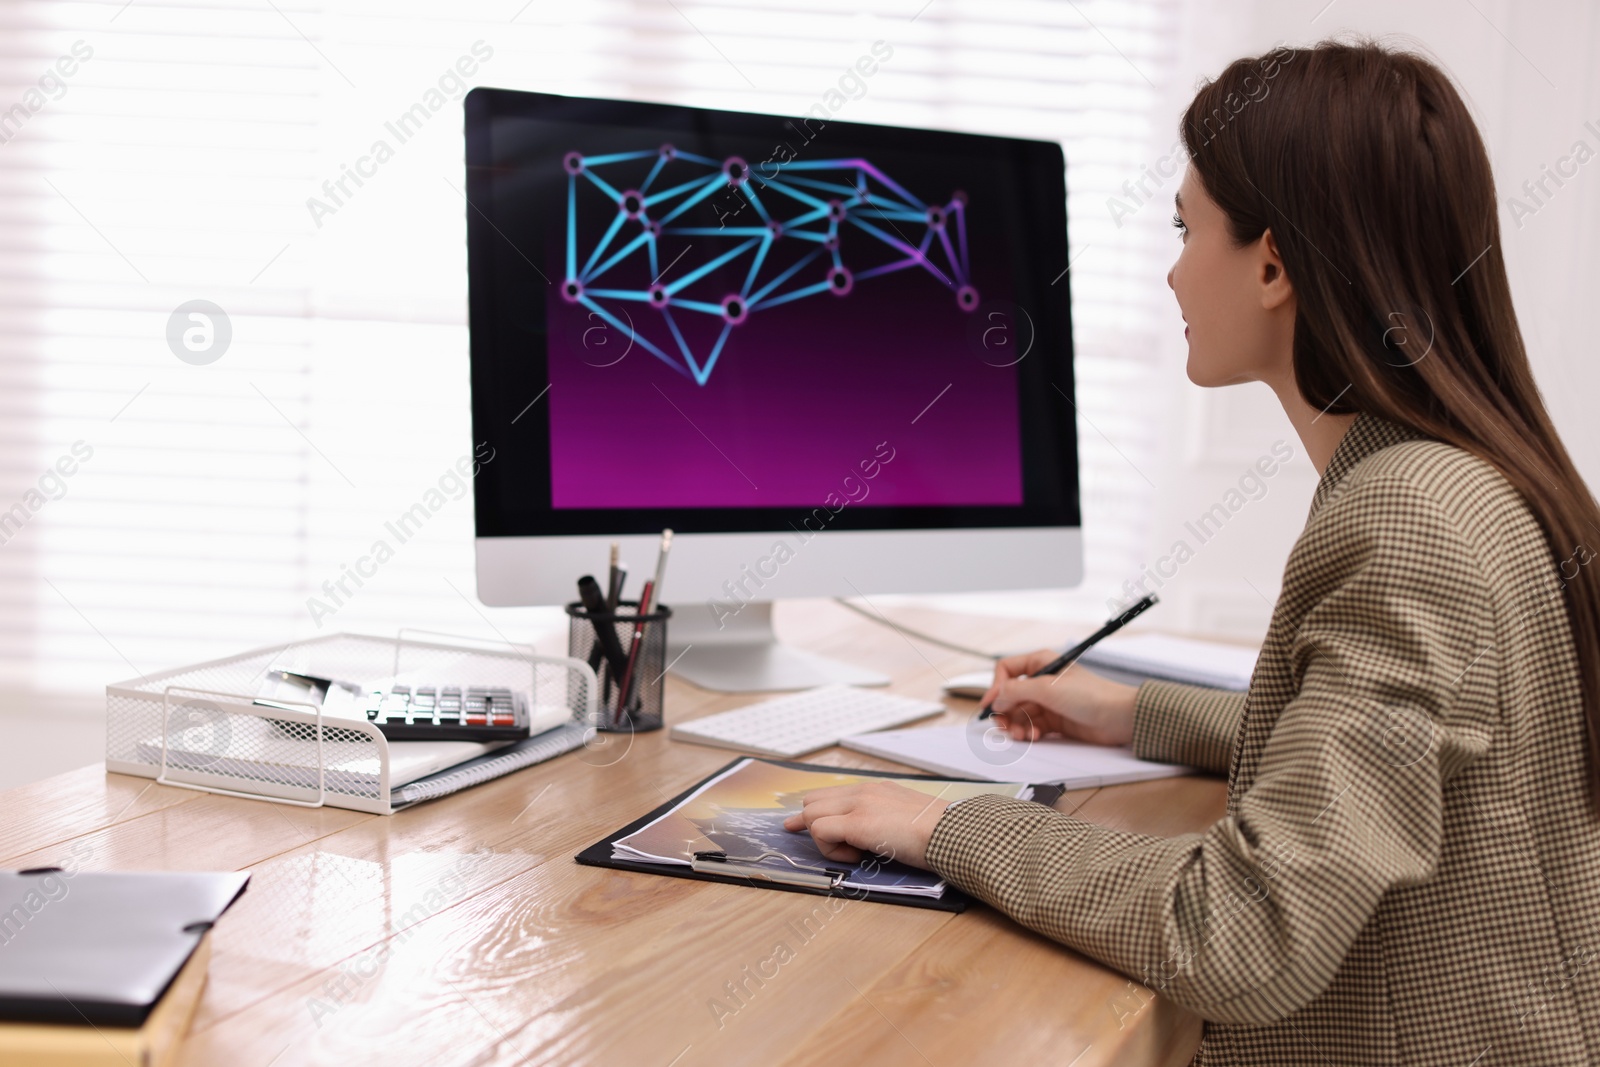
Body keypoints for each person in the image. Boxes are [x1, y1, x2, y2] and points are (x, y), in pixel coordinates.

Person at [784, 39, 1600, 1066]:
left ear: (1270, 264)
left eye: (1185, 228)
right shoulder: (1469, 479)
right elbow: (1400, 746)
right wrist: (1131, 711)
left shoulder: (1405, 522)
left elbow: (1243, 935)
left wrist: (948, 826)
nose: (1171, 269)